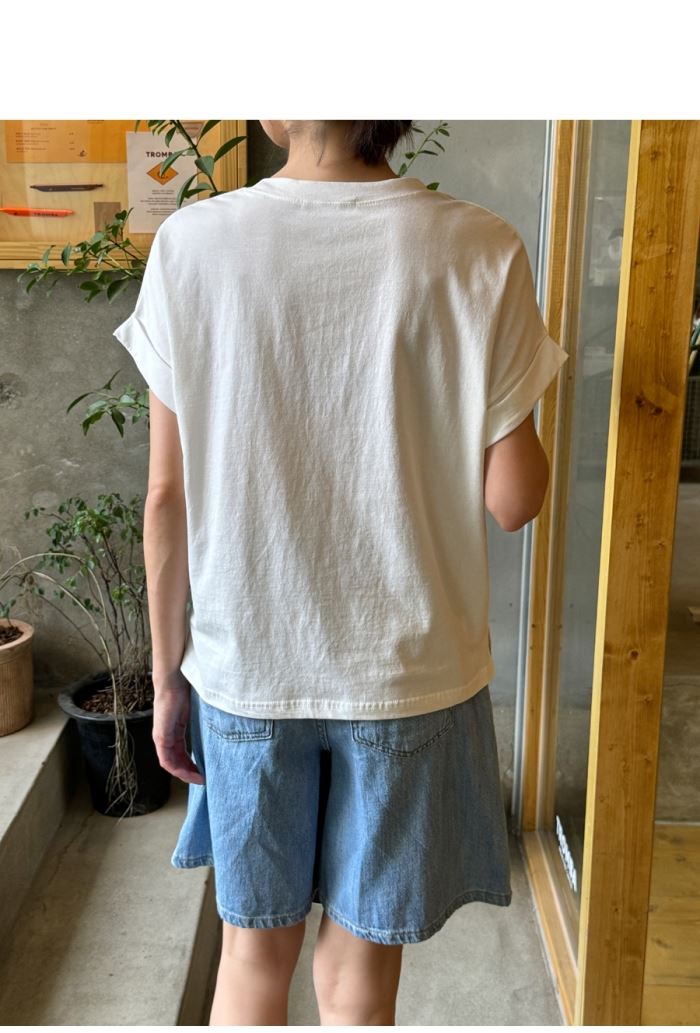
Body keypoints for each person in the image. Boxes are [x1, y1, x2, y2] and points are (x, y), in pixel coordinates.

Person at [112, 119, 568, 1025]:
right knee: (359, 975)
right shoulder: (481, 247)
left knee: (252, 958)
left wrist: (167, 682)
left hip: (247, 667)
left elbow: (166, 496)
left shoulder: (193, 245)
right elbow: (514, 500)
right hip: (408, 674)